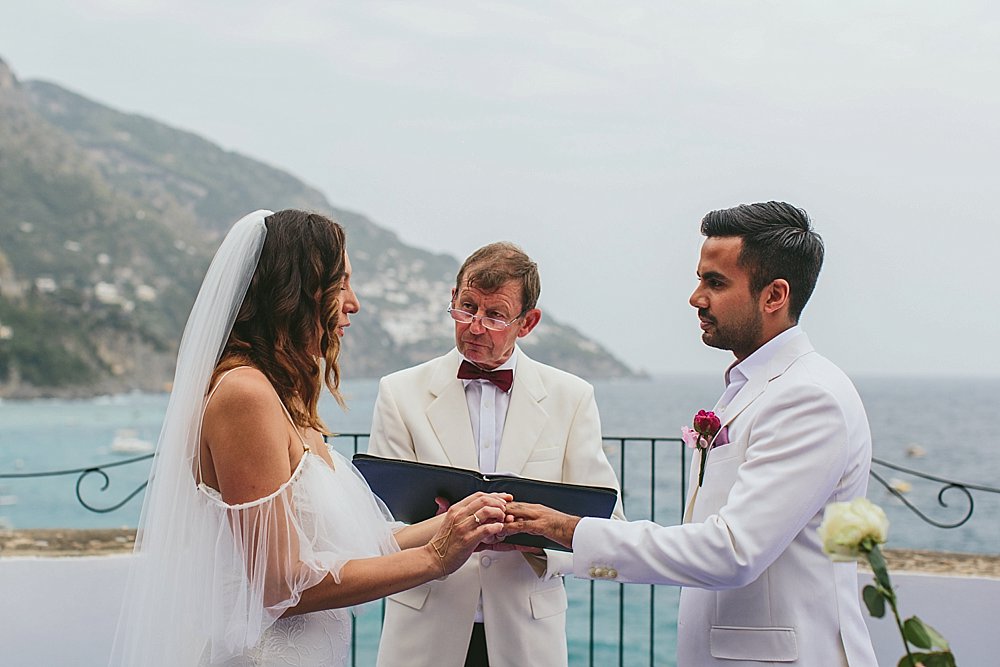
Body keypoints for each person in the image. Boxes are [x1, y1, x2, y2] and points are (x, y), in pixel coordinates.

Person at [109, 210, 508, 667]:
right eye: (341, 284)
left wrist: (460, 523)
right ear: (296, 291)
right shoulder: (245, 394)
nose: (353, 303)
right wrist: (436, 559)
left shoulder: (281, 395)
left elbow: (342, 549)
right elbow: (280, 584)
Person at [502, 202, 879, 666]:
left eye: (715, 282)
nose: (696, 297)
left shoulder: (809, 397)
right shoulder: (756, 387)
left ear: (774, 295)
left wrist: (568, 530)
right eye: (700, 279)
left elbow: (732, 551)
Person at [367, 241, 625, 667]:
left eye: (495, 315)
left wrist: (537, 542)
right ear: (452, 299)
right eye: (466, 307)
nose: (474, 326)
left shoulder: (572, 397)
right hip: (423, 632)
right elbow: (379, 526)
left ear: (528, 323)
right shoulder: (399, 393)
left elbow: (607, 525)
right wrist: (450, 527)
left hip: (527, 636)